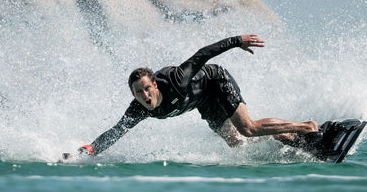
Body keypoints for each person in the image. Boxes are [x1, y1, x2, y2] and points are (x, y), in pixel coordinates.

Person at [62, 34, 318, 160]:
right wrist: (89, 150)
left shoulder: (176, 80)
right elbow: (116, 132)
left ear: (155, 85)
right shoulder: (139, 109)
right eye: (138, 92)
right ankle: (285, 137)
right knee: (237, 143)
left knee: (247, 128)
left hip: (215, 81)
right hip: (202, 101)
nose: (145, 95)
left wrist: (237, 40)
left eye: (147, 88)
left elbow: (202, 55)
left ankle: (306, 127)